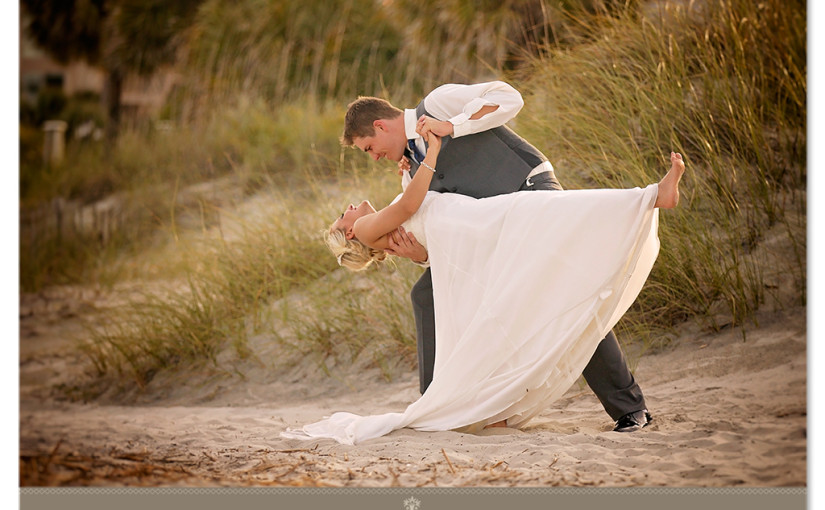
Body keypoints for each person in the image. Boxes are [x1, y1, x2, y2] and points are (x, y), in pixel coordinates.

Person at [281, 127, 685, 445]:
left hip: (477, 229)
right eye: (342, 217)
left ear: (383, 127)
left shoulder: (422, 135)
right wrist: (428, 160)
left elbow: (422, 226)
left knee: (560, 246)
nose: (349, 208)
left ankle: (649, 198)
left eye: (370, 148)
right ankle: (648, 198)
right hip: (481, 233)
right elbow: (413, 213)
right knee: (557, 236)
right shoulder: (374, 221)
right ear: (351, 235)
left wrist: (414, 175)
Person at [339, 81, 652, 432]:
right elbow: (447, 224)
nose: (375, 157)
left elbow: (508, 97)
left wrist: (452, 126)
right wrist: (422, 256)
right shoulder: (412, 172)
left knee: (562, 296)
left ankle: (629, 408)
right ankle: (439, 406)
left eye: (369, 148)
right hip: (494, 238)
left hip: (530, 195)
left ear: (380, 126)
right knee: (426, 295)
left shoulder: (438, 104)